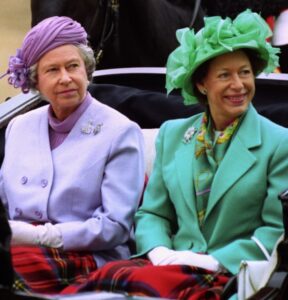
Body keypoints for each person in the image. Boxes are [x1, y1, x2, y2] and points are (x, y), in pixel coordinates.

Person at [63, 9, 288, 299]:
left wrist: (213, 261)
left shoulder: (279, 142)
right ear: (202, 85)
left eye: (245, 72)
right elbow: (153, 212)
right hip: (166, 266)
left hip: (235, 274)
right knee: (95, 288)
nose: (238, 85)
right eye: (224, 75)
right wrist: (158, 250)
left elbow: (276, 229)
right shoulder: (172, 134)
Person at [0, 16, 145, 294]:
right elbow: (4, 203)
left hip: (88, 255)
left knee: (12, 266)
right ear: (36, 81)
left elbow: (115, 226)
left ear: (87, 71)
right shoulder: (19, 126)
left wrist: (40, 236)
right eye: (52, 70)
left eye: (73, 66)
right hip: (21, 247)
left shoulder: (120, 131)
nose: (66, 78)